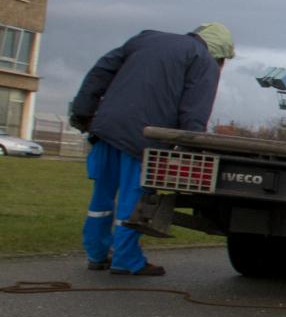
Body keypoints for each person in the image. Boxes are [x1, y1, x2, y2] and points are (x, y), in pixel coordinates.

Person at [68, 23, 234, 276]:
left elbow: (99, 72)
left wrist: (82, 111)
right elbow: (195, 109)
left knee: (100, 198)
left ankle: (97, 253)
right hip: (144, 139)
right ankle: (126, 260)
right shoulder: (203, 60)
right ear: (219, 53)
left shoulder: (145, 39)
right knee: (133, 202)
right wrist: (192, 147)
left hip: (107, 128)